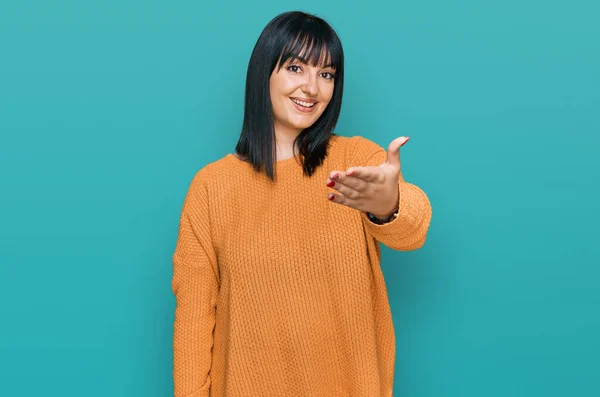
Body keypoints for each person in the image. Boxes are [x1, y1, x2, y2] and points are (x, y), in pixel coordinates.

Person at [171, 10, 432, 397]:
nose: (312, 88)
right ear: (264, 73)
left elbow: (414, 227)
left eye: (326, 74)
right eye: (296, 68)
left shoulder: (354, 159)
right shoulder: (212, 187)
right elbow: (193, 323)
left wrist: (388, 204)